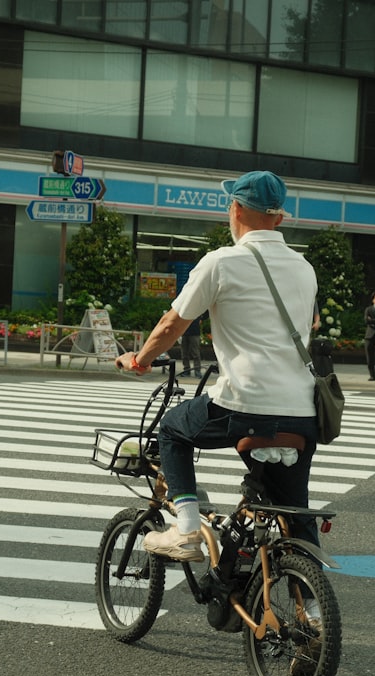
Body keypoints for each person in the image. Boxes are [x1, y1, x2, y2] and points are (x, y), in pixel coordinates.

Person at [115, 170, 320, 563]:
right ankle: (310, 610)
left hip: (244, 403)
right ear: (278, 218)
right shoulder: (304, 268)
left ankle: (188, 529)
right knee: (295, 512)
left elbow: (172, 324)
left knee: (173, 429)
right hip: (302, 411)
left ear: (237, 208)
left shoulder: (222, 262)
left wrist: (140, 360)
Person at [178, 311, 205, 377]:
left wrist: (201, 318)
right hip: (184, 332)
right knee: (184, 353)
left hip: (194, 332)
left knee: (195, 353)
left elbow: (206, 311)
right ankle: (186, 370)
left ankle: (197, 370)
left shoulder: (197, 307)